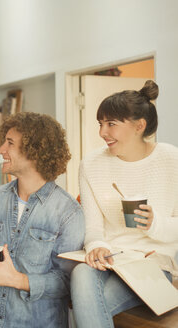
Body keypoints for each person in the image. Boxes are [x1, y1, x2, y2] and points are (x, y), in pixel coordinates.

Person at [70, 80, 178, 327]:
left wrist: (154, 224)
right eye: (100, 124)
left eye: (111, 124)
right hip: (110, 260)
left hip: (152, 263)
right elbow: (93, 227)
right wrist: (96, 245)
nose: (102, 133)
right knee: (81, 272)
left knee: (87, 306)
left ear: (140, 126)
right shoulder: (91, 165)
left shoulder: (172, 159)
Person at [0, 112, 85, 327]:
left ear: (35, 151)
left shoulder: (68, 211)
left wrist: (18, 280)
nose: (1, 150)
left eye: (9, 143)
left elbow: (69, 283)